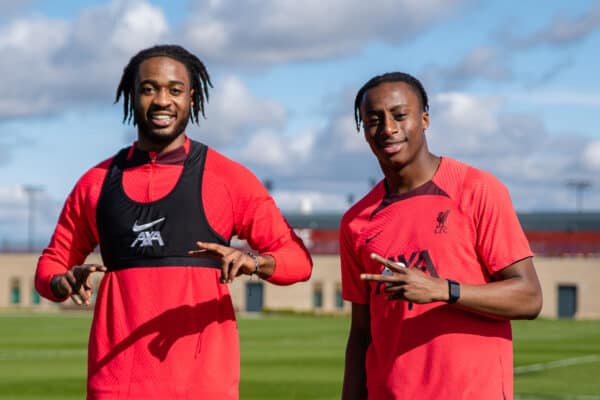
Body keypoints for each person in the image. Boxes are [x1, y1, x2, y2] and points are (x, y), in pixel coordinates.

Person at [34, 44, 312, 400]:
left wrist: (255, 262)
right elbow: (50, 266)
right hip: (115, 387)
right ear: (132, 96)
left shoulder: (227, 178)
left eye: (174, 90)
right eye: (149, 89)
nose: (162, 100)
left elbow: (298, 261)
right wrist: (62, 282)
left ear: (192, 98)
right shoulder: (96, 183)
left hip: (203, 389)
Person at [340, 72, 542, 399]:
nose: (388, 128)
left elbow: (529, 297)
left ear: (424, 119)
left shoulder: (477, 190)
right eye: (374, 119)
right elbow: (361, 334)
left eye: (399, 115)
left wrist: (444, 290)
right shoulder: (356, 222)